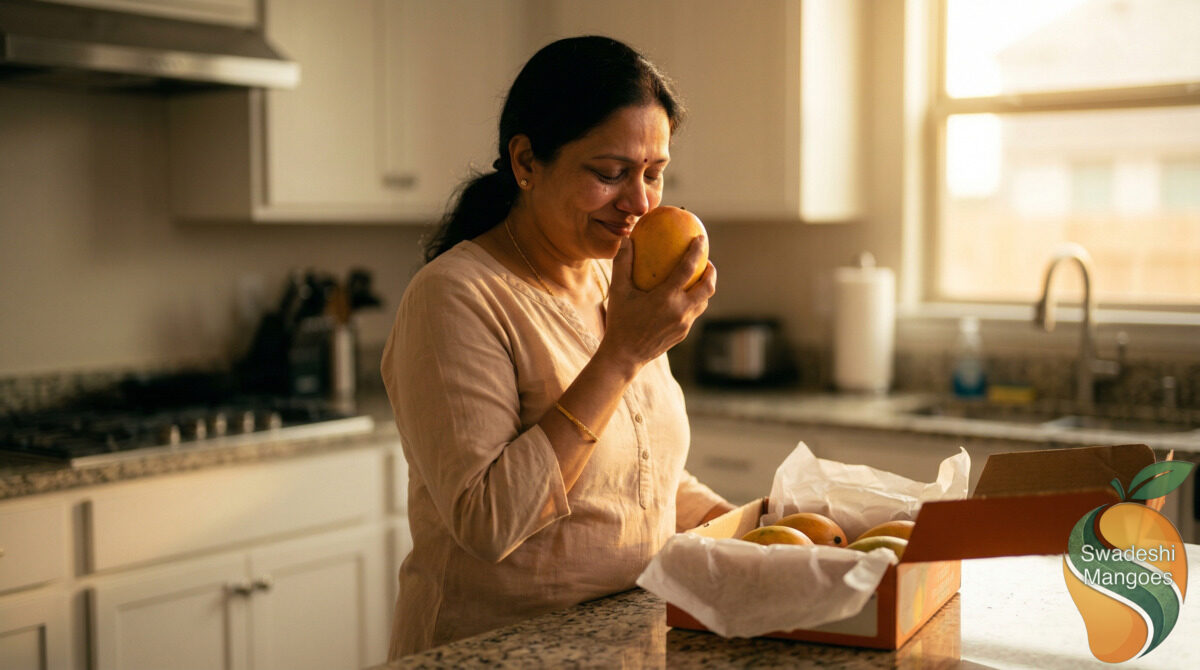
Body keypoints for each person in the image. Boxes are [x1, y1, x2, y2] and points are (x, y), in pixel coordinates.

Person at [380, 35, 734, 658]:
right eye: (610, 173)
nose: (640, 203)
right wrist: (621, 353)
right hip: (493, 652)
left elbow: (637, 478)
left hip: (621, 642)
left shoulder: (617, 279)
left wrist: (752, 529)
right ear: (525, 161)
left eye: (654, 173)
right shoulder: (455, 297)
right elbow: (488, 522)